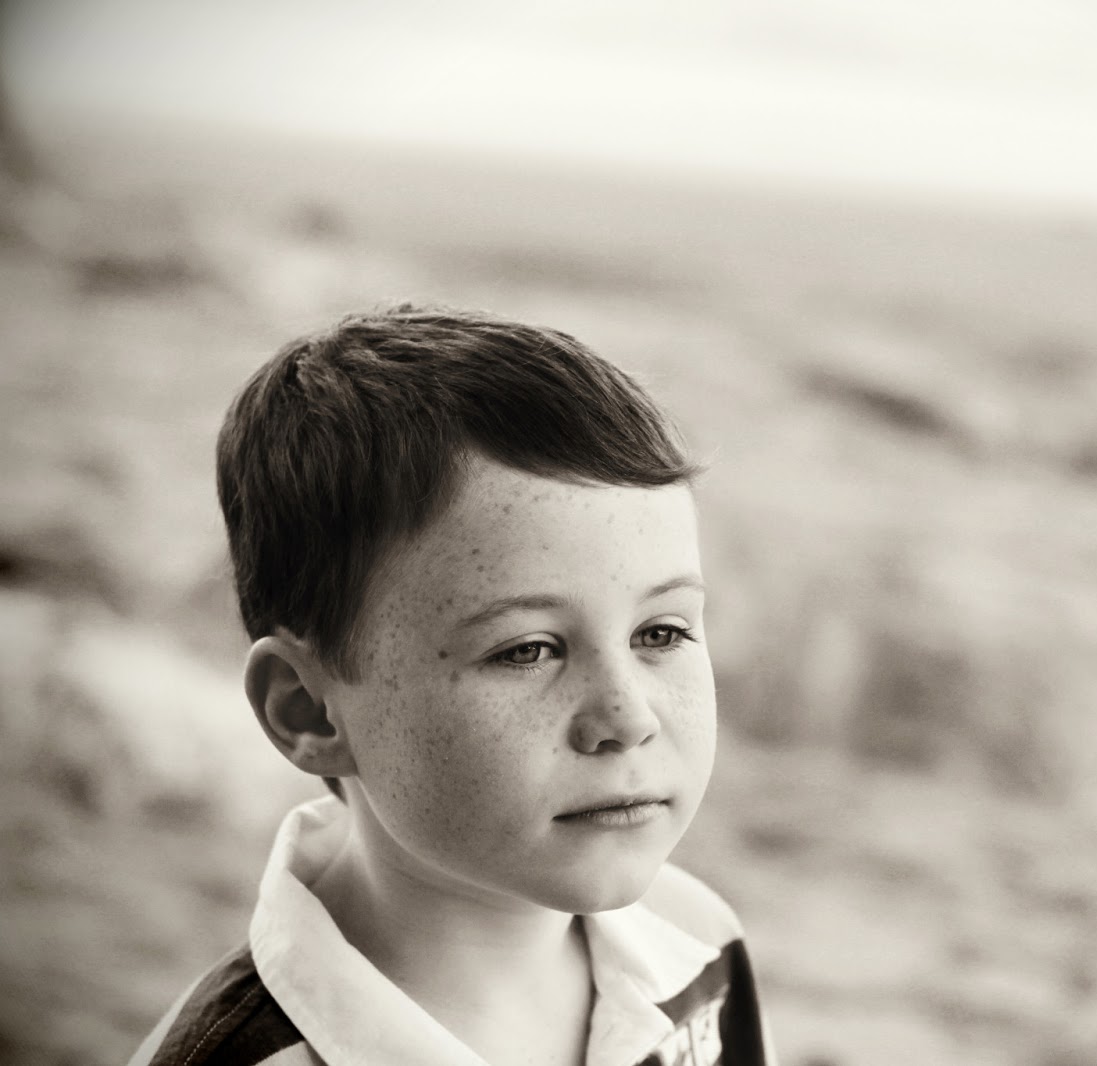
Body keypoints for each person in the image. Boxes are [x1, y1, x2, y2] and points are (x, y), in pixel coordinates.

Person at [128, 305, 770, 1066]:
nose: (627, 718)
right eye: (528, 650)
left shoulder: (697, 947)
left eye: (660, 633)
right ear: (308, 710)